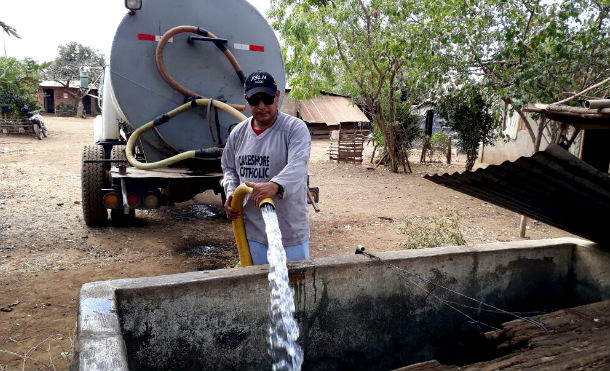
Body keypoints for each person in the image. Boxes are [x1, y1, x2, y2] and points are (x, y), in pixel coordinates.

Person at [221, 71, 311, 265]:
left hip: (289, 232)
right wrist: (230, 193)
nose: (261, 106)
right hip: (253, 232)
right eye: (255, 100)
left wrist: (275, 185)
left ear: (277, 96)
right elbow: (228, 166)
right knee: (259, 289)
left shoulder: (294, 129)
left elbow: (298, 165)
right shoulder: (238, 133)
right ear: (246, 100)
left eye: (267, 99)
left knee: (295, 289)